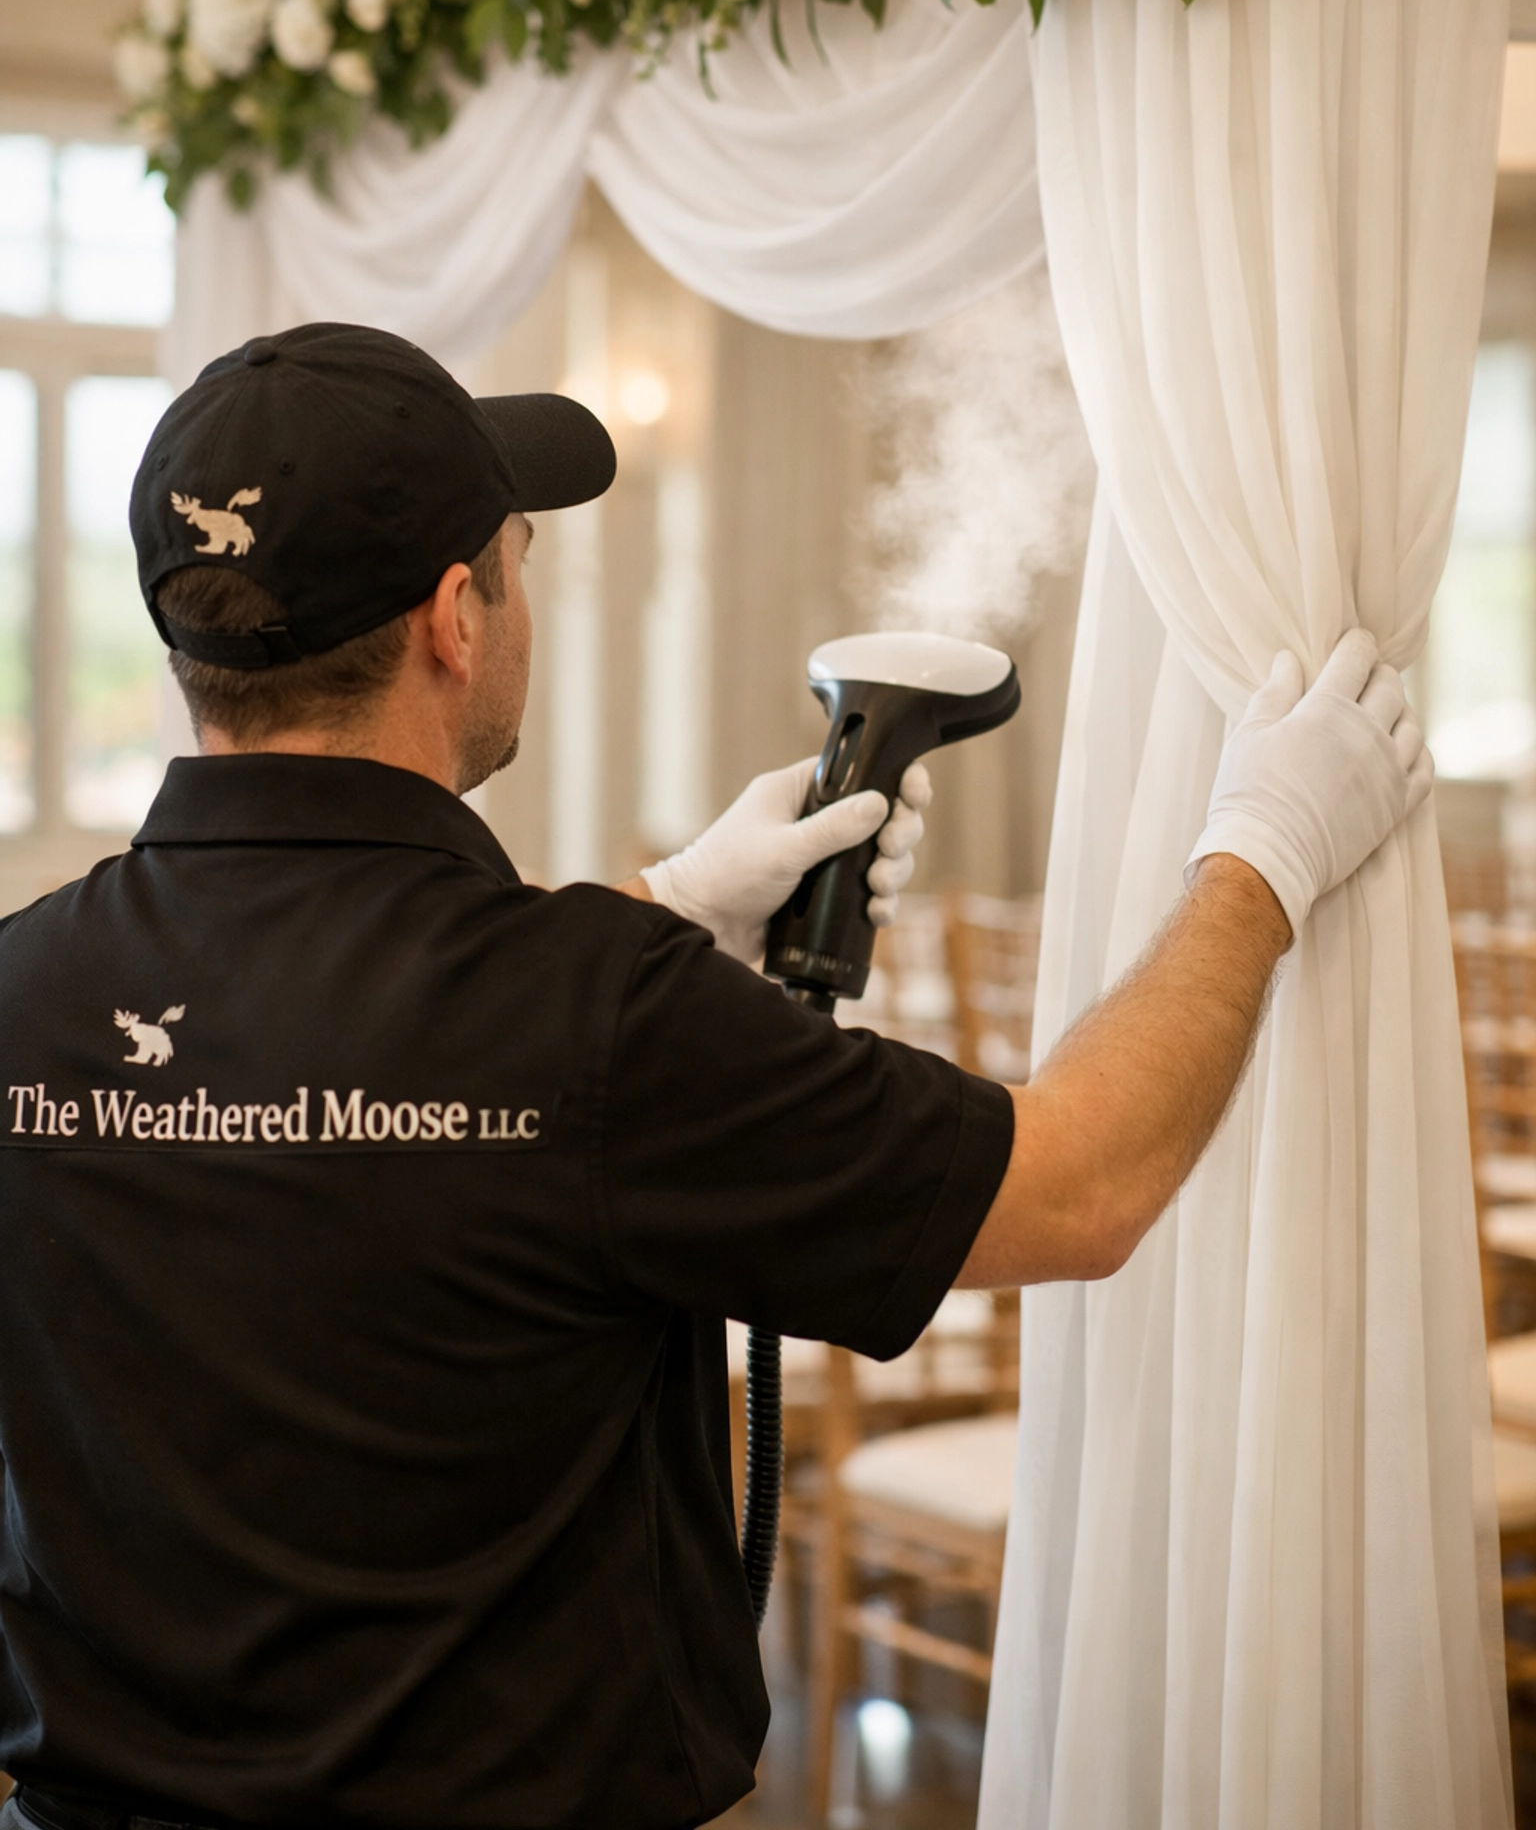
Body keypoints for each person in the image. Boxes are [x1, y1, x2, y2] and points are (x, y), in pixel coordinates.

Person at [0, 324, 1430, 1830]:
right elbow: (1077, 1187)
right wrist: (1261, 861)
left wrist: (675, 907)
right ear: (453, 622)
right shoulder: (603, 1020)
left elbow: (345, 1057)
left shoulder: (19, 991)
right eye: (517, 558)